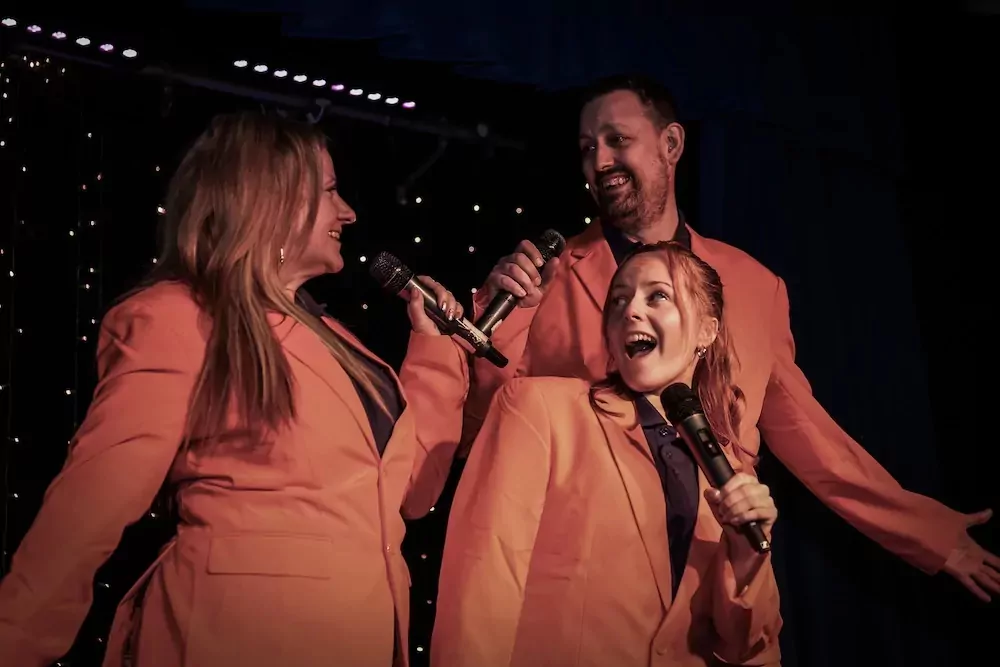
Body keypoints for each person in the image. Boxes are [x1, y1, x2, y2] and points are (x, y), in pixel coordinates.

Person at [461, 75, 1000, 601]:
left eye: (617, 140)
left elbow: (813, 439)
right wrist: (503, 319)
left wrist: (922, 531)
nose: (599, 162)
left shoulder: (754, 285)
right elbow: (485, 436)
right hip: (583, 586)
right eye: (586, 148)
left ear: (671, 144)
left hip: (717, 582)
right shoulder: (545, 278)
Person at [0, 112, 469, 667]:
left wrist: (435, 349)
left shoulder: (338, 339)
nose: (349, 212)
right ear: (267, 199)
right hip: (234, 637)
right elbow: (86, 511)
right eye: (329, 191)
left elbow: (411, 492)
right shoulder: (179, 319)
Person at [433, 242, 782, 667]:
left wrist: (746, 557)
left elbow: (750, 649)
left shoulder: (728, 470)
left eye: (658, 295)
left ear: (706, 331)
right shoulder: (541, 408)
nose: (630, 310)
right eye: (619, 300)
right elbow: (482, 584)